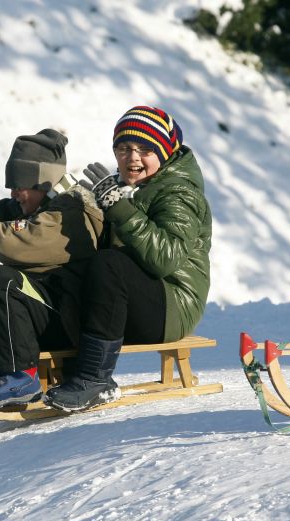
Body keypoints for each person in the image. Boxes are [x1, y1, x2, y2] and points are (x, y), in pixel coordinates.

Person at [43, 105, 213, 412]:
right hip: (140, 301)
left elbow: (165, 259)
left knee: (110, 264)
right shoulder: (133, 188)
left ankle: (94, 379)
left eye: (146, 149)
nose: (132, 158)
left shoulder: (179, 193)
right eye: (124, 148)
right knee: (74, 270)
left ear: (165, 152)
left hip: (174, 305)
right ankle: (50, 372)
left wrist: (118, 208)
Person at [0, 129, 104, 409]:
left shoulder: (69, 214)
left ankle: (20, 377)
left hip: (66, 320)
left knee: (2, 280)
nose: (14, 193)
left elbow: (17, 241)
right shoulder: (38, 207)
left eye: (19, 185)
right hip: (36, 315)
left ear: (42, 182)